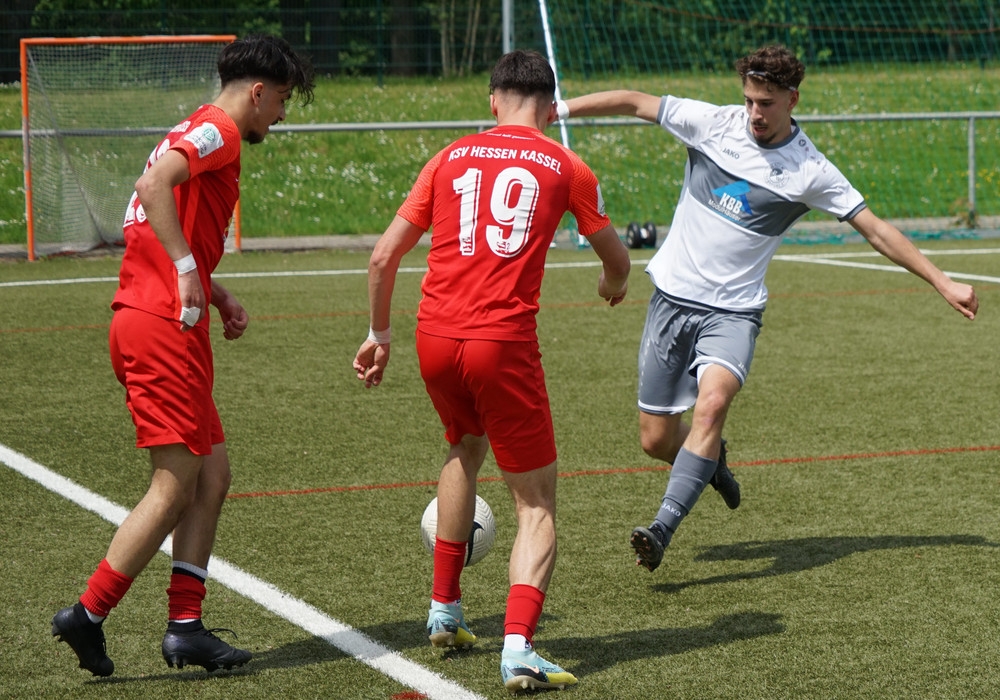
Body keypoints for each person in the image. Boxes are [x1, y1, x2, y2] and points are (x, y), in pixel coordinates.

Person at [556, 45, 979, 573]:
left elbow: (875, 229)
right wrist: (560, 109)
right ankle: (712, 460)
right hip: (671, 301)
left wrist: (942, 282)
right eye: (750, 100)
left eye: (767, 103)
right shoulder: (714, 124)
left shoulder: (810, 169)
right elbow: (633, 101)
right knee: (655, 439)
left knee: (711, 406)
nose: (755, 113)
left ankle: (661, 527)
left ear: (792, 100)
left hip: (733, 315)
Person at [353, 49, 630, 693]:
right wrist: (612, 284)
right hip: (500, 343)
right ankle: (519, 649)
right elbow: (617, 259)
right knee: (536, 502)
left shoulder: (449, 156)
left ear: (493, 100)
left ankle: (444, 612)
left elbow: (383, 257)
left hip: (434, 336)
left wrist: (378, 334)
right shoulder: (568, 167)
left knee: (463, 446)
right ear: (550, 107)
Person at [51, 34, 315, 677]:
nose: (281, 114)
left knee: (212, 475)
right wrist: (188, 271)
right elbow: (154, 185)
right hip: (161, 325)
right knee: (173, 487)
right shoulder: (220, 129)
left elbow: (160, 217)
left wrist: (213, 290)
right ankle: (87, 613)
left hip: (159, 318)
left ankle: (186, 628)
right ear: (258, 92)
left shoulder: (199, 125)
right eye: (282, 100)